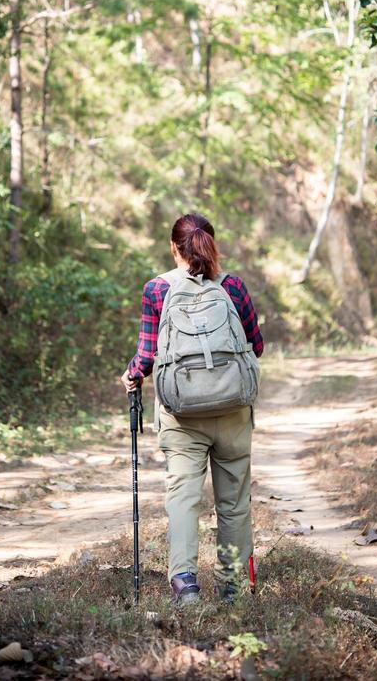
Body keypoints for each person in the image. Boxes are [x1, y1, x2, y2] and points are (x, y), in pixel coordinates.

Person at [120, 212, 264, 605]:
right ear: (212, 244)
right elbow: (257, 345)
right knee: (233, 501)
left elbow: (147, 356)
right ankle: (234, 589)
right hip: (233, 410)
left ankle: (186, 587)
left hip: (182, 414)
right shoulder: (232, 286)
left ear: (173, 247)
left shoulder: (157, 289)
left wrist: (132, 375)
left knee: (183, 498)